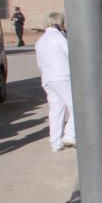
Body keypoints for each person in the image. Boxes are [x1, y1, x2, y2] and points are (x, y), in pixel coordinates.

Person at [35, 12, 75, 152]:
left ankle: (55, 142)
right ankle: (70, 135)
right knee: (75, 106)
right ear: (59, 23)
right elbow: (71, 53)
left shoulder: (40, 40)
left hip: (47, 78)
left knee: (56, 110)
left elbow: (39, 63)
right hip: (62, 76)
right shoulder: (59, 37)